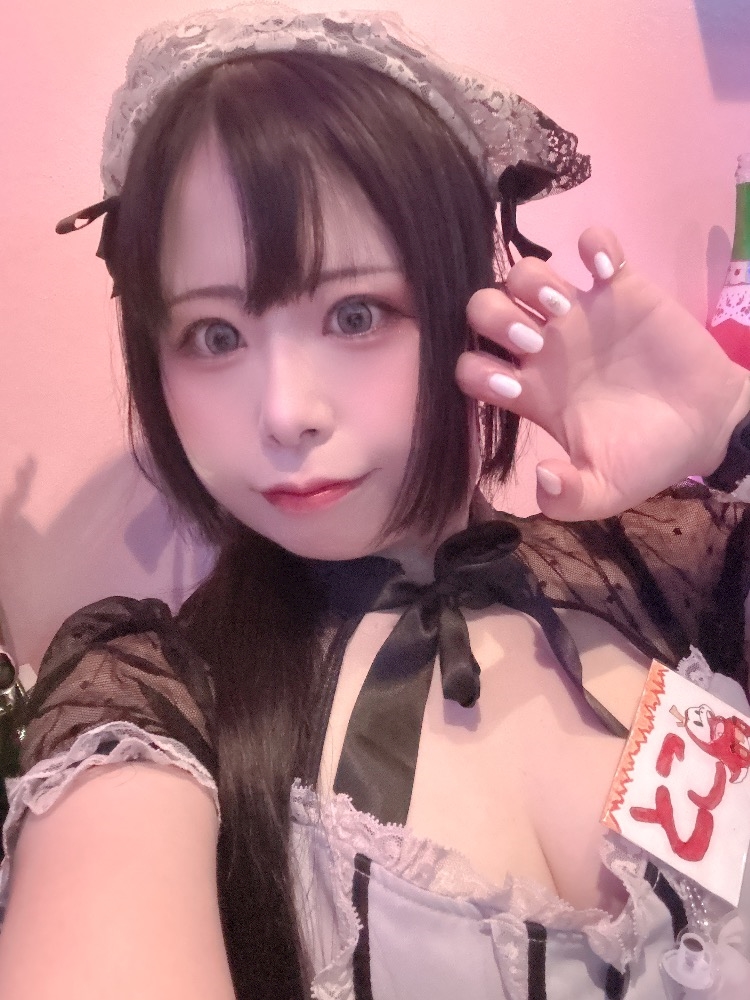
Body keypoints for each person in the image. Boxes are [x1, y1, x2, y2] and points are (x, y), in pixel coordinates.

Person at [0, 5, 749, 998]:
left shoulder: (655, 562)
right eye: (214, 336)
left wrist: (732, 425)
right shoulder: (158, 705)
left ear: (466, 304)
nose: (285, 413)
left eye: (356, 313)